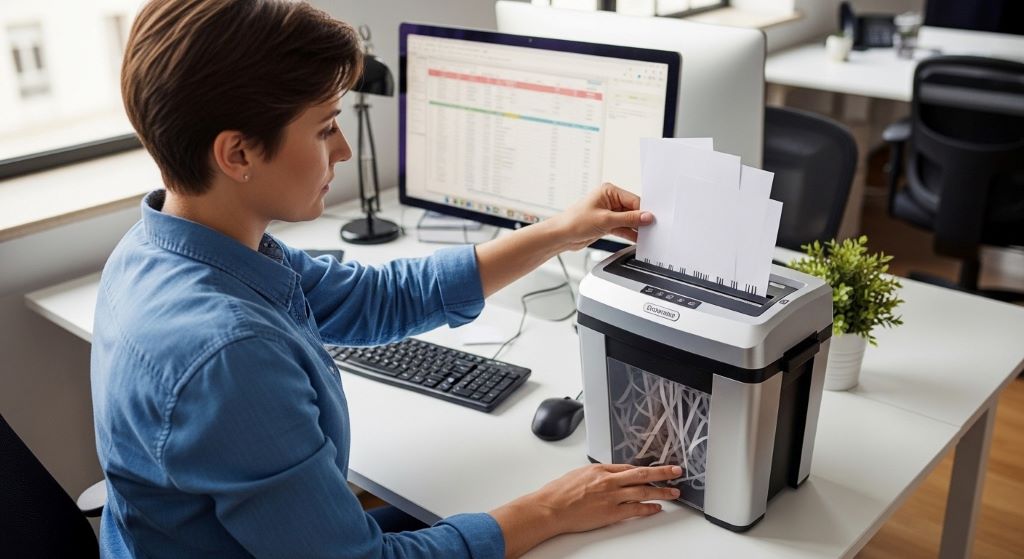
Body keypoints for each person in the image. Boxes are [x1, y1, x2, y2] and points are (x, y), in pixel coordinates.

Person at [91, 1, 681, 557]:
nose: (344, 150)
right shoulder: (229, 355)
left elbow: (377, 299)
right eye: (325, 128)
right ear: (237, 155)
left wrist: (559, 231)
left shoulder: (161, 244)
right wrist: (551, 509)